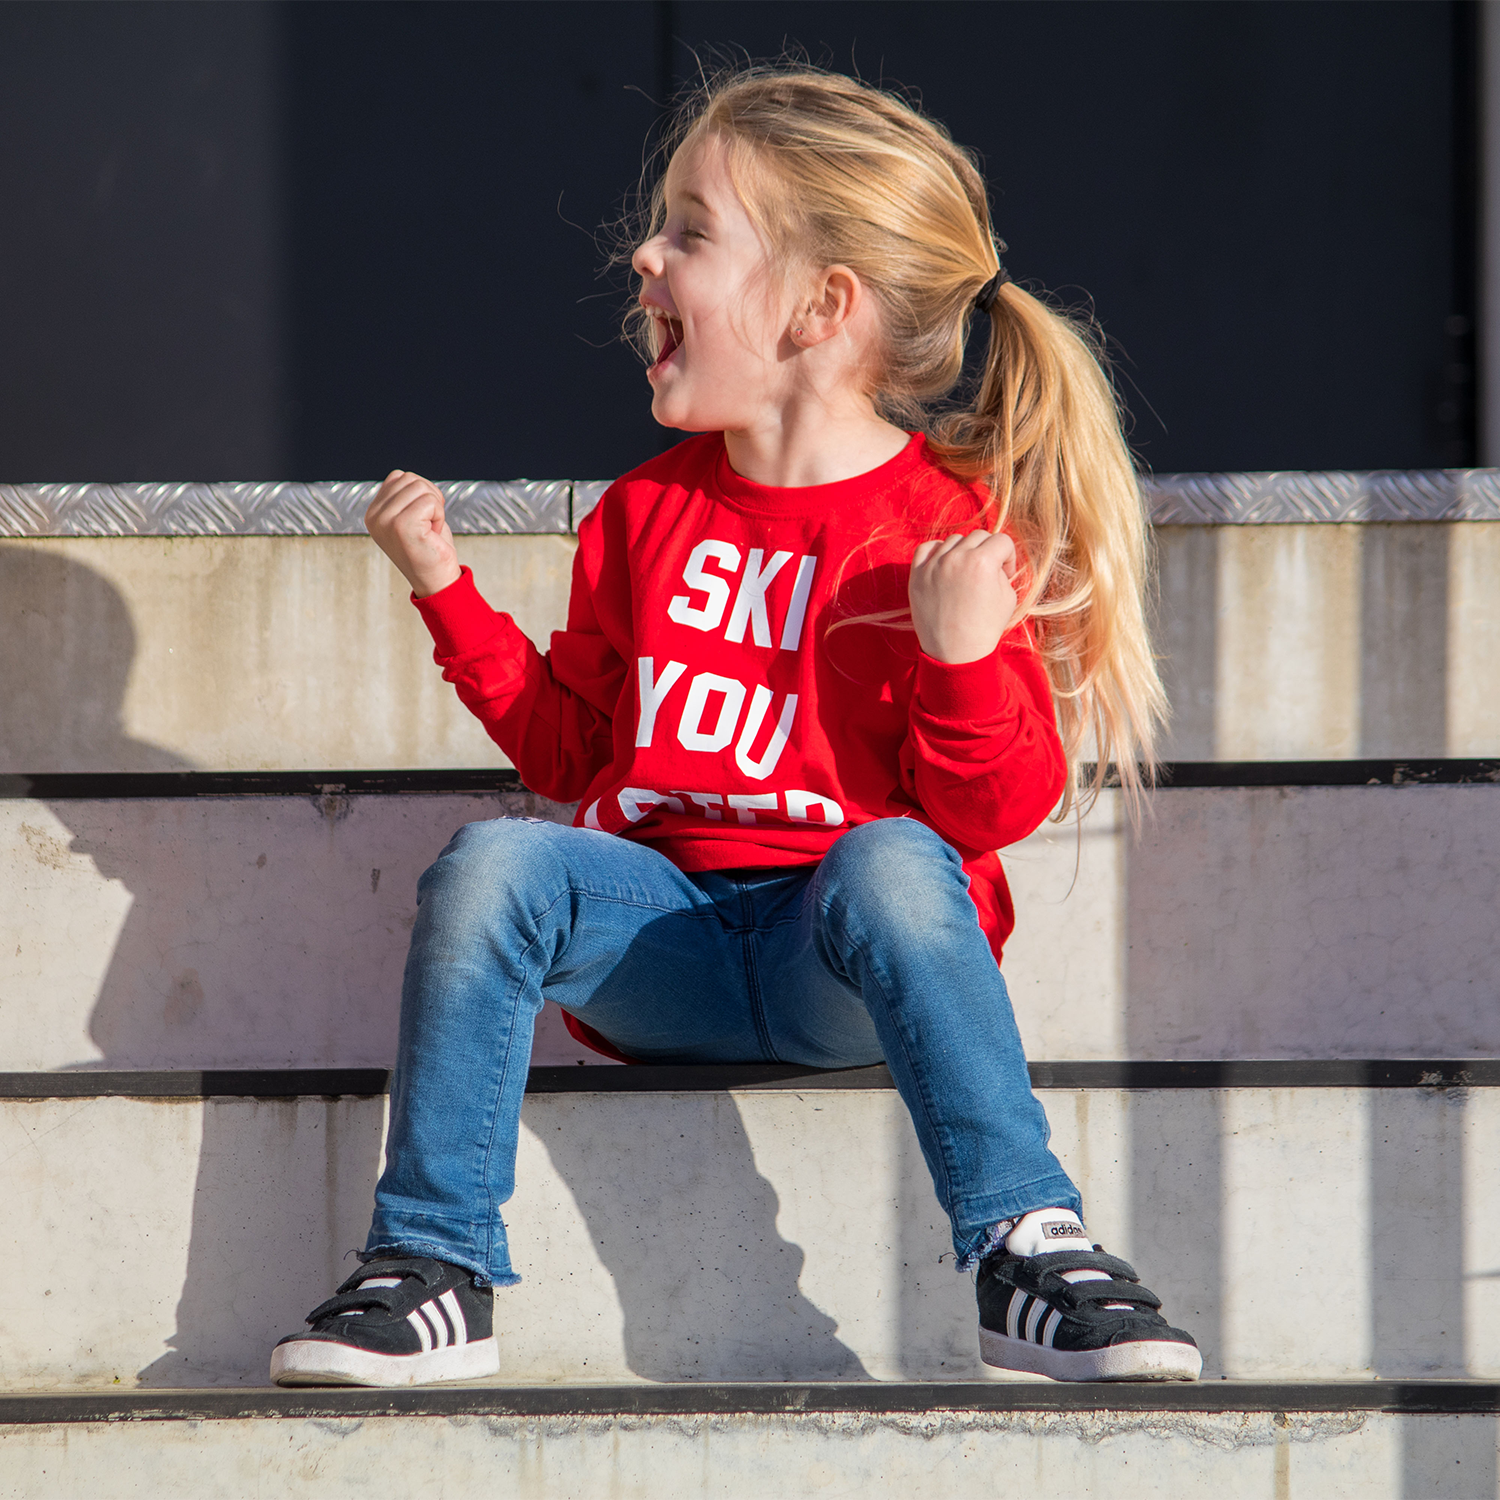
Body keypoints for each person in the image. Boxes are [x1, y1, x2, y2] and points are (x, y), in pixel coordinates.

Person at [270, 65, 1199, 1388]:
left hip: (841, 960)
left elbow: (985, 824)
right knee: (493, 863)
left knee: (889, 859)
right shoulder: (642, 516)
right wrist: (446, 593)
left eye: (691, 229)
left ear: (822, 307)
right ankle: (432, 1267)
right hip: (664, 947)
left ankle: (1030, 1251)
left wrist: (959, 658)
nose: (641, 254)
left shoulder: (947, 528)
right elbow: (573, 758)